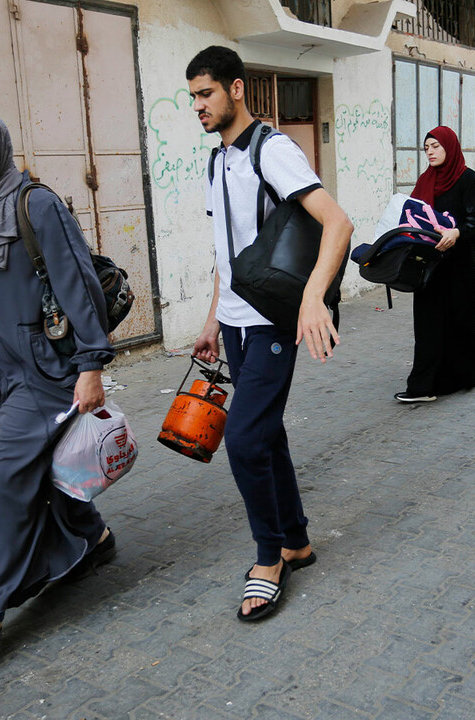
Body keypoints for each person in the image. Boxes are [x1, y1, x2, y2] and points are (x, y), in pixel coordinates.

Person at [186, 46, 353, 621]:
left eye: (206, 93)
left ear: (236, 88)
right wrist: (213, 321)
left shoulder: (272, 150)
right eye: (192, 97)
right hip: (235, 323)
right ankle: (297, 541)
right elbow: (225, 253)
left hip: (273, 320)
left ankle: (268, 557)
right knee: (266, 432)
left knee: (244, 440)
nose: (198, 106)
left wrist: (312, 298)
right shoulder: (216, 162)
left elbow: (337, 222)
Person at [0, 110, 117, 664]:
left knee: (8, 483)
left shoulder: (34, 204)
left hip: (42, 374)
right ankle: (95, 538)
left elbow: (78, 282)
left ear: (0, 151)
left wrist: (91, 363)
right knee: (42, 470)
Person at [394, 126, 475, 403]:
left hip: (459, 265)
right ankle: (423, 385)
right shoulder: (426, 180)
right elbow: (413, 215)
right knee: (427, 324)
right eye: (426, 148)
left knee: (463, 320)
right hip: (430, 265)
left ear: (449, 146)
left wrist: (456, 232)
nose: (430, 152)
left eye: (435, 146)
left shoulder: (468, 180)